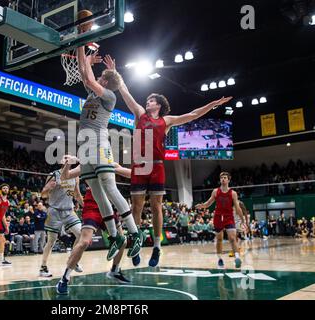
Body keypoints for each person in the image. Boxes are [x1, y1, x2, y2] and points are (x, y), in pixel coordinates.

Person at [105, 55, 232, 267]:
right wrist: (115, 72)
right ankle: (136, 241)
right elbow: (124, 91)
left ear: (160, 105)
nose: (148, 101)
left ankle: (156, 246)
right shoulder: (139, 113)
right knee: (136, 207)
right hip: (139, 164)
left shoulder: (167, 121)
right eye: (147, 99)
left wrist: (213, 104)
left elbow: (192, 114)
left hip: (156, 165)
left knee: (156, 207)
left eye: (152, 100)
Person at [76, 47, 142, 262]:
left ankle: (134, 232)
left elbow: (87, 75)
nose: (98, 77)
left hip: (99, 145)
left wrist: (82, 46)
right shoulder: (95, 92)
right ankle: (114, 236)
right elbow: (83, 73)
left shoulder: (110, 96)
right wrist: (83, 55)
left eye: (101, 76)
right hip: (85, 148)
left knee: (110, 188)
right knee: (97, 192)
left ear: (104, 82)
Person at [56, 157, 132, 295]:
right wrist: (68, 164)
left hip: (108, 207)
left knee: (123, 240)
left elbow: (132, 174)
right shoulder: (86, 164)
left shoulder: (109, 163)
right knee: (84, 242)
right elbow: (64, 177)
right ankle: (65, 278)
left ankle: (115, 270)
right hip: (92, 206)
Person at [39, 157, 84, 277]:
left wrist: (85, 206)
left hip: (69, 210)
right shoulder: (53, 174)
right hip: (54, 211)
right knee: (51, 241)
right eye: (65, 158)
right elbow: (43, 194)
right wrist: (47, 189)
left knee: (81, 234)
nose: (68, 159)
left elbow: (77, 195)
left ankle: (72, 260)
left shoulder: (75, 176)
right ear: (61, 162)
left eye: (69, 158)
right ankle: (43, 267)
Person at [196, 172, 249, 269]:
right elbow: (208, 203)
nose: (223, 179)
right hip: (218, 217)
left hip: (229, 217)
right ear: (220, 180)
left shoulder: (233, 193)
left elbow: (237, 208)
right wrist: (202, 205)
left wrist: (242, 220)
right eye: (221, 178)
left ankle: (237, 257)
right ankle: (220, 259)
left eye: (225, 178)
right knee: (219, 239)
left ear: (228, 180)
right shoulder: (215, 191)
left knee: (232, 238)